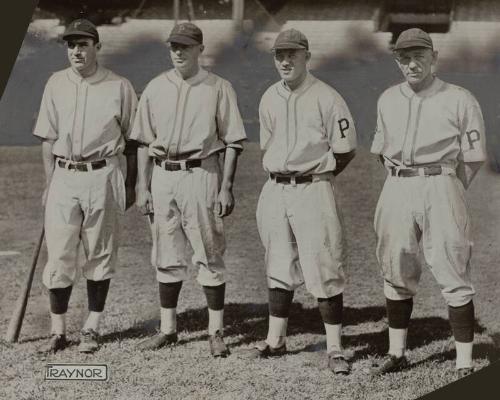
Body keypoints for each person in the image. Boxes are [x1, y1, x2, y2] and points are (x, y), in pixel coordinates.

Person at [370, 28, 486, 377]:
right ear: (397, 61)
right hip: (397, 184)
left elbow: (475, 156)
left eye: (419, 55)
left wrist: (450, 186)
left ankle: (465, 361)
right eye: (404, 57)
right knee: (395, 264)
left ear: (434, 57)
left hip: (441, 181)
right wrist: (400, 181)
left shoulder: (459, 98)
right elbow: (380, 151)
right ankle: (397, 352)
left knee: (452, 265)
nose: (412, 63)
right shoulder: (387, 98)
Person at [130, 22, 247, 357]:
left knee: (208, 251)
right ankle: (168, 329)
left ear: (200, 49)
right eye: (173, 46)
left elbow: (234, 141)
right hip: (163, 175)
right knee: (165, 252)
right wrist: (142, 185)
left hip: (201, 172)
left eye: (185, 46)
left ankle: (216, 331)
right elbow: (142, 142)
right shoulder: (155, 87)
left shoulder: (218, 87)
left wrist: (226, 186)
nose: (178, 52)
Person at [249, 29, 357, 374]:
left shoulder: (327, 96)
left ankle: (336, 348)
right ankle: (275, 340)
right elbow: (268, 144)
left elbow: (345, 150)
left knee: (324, 264)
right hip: (275, 187)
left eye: (293, 54)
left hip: (313, 187)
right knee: (278, 262)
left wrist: (319, 177)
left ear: (307, 56)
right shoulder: (268, 96)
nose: (286, 60)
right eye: (280, 54)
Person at [33, 19, 138, 353]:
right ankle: (58, 330)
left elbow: (134, 142)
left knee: (99, 252)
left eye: (83, 44)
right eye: (71, 45)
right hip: (64, 174)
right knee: (60, 254)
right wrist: (50, 183)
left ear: (97, 47)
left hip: (102, 174)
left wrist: (132, 184)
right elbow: (48, 140)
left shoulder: (119, 85)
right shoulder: (55, 83)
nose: (76, 51)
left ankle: (91, 327)